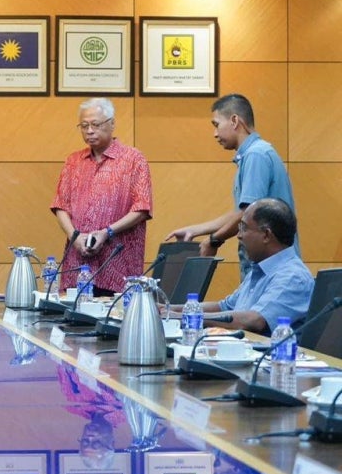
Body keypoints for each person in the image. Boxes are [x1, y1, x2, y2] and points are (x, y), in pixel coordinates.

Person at [165, 93, 299, 279]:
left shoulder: (256, 155)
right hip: (266, 267)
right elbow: (242, 210)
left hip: (271, 269)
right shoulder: (254, 154)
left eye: (216, 125)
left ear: (235, 121)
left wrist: (214, 240)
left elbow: (246, 215)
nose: (215, 134)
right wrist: (196, 230)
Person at [51, 97, 153, 295]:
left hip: (118, 262)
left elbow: (142, 208)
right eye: (84, 126)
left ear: (112, 124)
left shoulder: (133, 159)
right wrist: (75, 235)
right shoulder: (73, 161)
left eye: (96, 125)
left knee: (114, 318)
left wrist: (107, 232)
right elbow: (60, 205)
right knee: (74, 320)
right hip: (77, 261)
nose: (89, 131)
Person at [168, 198, 312, 336]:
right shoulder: (260, 269)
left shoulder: (293, 276)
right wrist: (168, 310)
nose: (239, 235)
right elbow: (223, 307)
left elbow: (254, 320)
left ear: (266, 235)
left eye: (244, 228)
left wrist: (181, 317)